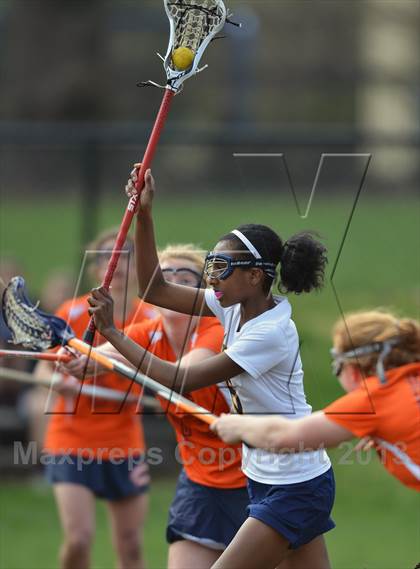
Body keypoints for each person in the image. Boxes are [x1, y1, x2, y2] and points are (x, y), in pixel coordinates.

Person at [86, 167, 335, 569]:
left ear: (255, 276)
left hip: (295, 484)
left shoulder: (270, 332)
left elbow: (177, 379)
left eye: (222, 268)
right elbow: (155, 290)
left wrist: (112, 332)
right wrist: (145, 214)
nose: (211, 276)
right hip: (267, 475)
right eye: (212, 265)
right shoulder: (232, 303)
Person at [64, 243, 250, 569]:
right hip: (200, 483)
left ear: (201, 290)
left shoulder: (216, 329)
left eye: (185, 277)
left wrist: (107, 354)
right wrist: (82, 360)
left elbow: (182, 376)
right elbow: (99, 357)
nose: (175, 282)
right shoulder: (146, 333)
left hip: (254, 479)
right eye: (167, 277)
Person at [36, 228, 157, 569]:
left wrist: (101, 369)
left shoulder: (148, 319)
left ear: (137, 267)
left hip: (124, 442)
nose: (115, 264)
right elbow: (43, 372)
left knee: (131, 547)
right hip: (71, 441)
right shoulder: (72, 313)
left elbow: (158, 370)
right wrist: (58, 383)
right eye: (106, 257)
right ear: (95, 269)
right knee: (78, 540)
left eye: (123, 256)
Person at [212, 310, 420, 492]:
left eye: (337, 364)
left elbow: (283, 437)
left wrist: (237, 426)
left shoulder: (372, 399)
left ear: (354, 368)